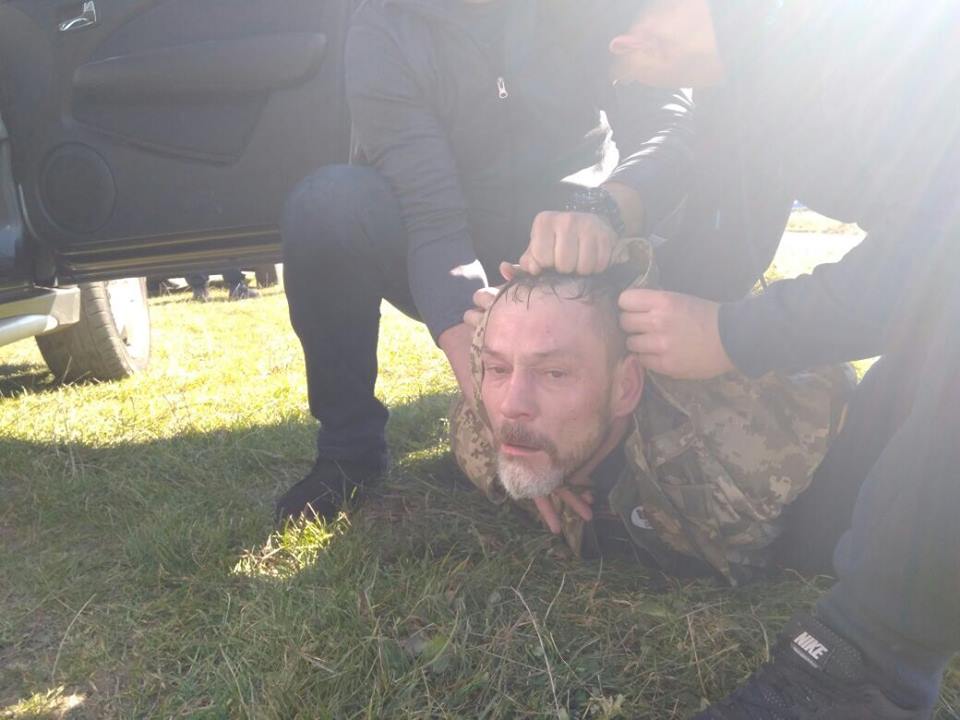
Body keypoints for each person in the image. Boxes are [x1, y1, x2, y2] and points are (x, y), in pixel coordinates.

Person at [523, 0, 960, 717]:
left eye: (612, 66)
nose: (621, 82)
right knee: (870, 470)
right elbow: (707, 183)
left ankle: (868, 668)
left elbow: (942, 250)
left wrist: (736, 333)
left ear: (631, 41)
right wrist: (604, 218)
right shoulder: (755, 79)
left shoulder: (881, 37)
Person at [276, 0, 696, 523]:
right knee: (326, 206)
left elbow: (674, 124)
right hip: (450, 240)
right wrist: (495, 411)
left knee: (703, 186)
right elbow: (432, 215)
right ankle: (349, 449)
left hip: (579, 230)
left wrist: (608, 207)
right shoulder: (382, 25)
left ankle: (665, 404)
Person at [454, 242, 851, 584]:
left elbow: (831, 388)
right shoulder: (478, 441)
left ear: (626, 386)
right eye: (498, 368)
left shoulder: (752, 439)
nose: (511, 406)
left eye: (554, 373)